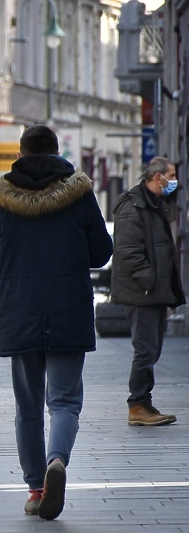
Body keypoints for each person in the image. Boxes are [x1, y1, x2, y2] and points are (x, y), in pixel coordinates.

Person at [0, 125, 113, 520]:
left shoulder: (1, 198)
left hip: (20, 308)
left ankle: (37, 489)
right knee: (66, 400)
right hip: (68, 307)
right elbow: (101, 252)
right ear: (58, 153)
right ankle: (58, 461)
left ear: (18, 156)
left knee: (28, 405)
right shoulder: (80, 192)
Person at [111, 156, 185, 427]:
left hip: (153, 293)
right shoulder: (134, 206)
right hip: (141, 294)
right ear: (158, 178)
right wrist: (150, 282)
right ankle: (138, 405)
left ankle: (144, 402)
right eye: (171, 175)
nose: (174, 180)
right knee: (145, 350)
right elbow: (129, 251)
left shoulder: (155, 205)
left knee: (152, 350)